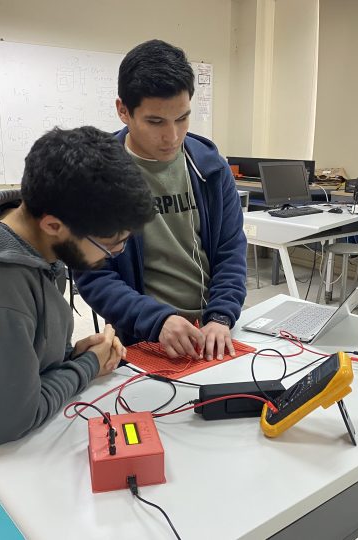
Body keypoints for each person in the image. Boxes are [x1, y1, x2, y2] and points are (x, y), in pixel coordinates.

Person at [0, 126, 155, 446]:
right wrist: (89, 365)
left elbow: (18, 351)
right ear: (53, 225)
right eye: (112, 243)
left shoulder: (30, 246)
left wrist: (67, 356)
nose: (117, 252)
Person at [75, 40, 247, 362]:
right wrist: (158, 320)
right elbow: (93, 275)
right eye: (156, 122)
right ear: (123, 110)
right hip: (146, 337)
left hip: (215, 330)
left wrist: (221, 316)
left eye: (182, 118)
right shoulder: (98, 178)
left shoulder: (211, 167)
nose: (173, 136)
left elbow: (231, 250)